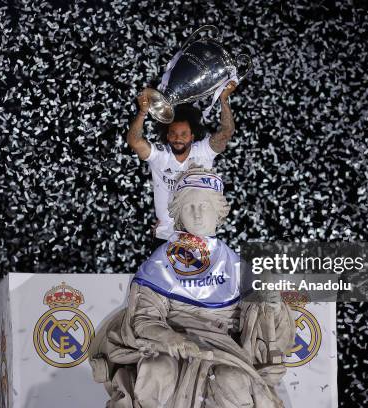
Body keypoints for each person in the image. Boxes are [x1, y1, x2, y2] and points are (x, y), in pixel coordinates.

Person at [88, 166, 296, 408]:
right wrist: (169, 337)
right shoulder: (161, 263)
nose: (197, 214)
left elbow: (262, 325)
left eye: (204, 206)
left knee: (233, 380)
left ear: (218, 213)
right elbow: (145, 320)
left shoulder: (238, 267)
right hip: (171, 347)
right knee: (156, 370)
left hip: (223, 351)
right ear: (179, 214)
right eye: (189, 206)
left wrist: (273, 307)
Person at [126, 82, 237, 244]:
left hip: (201, 235)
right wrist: (143, 112)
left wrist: (223, 100)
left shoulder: (203, 152)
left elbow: (226, 132)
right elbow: (134, 141)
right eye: (173, 133)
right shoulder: (160, 156)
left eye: (184, 134)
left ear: (192, 136)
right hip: (165, 237)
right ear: (167, 136)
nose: (178, 138)